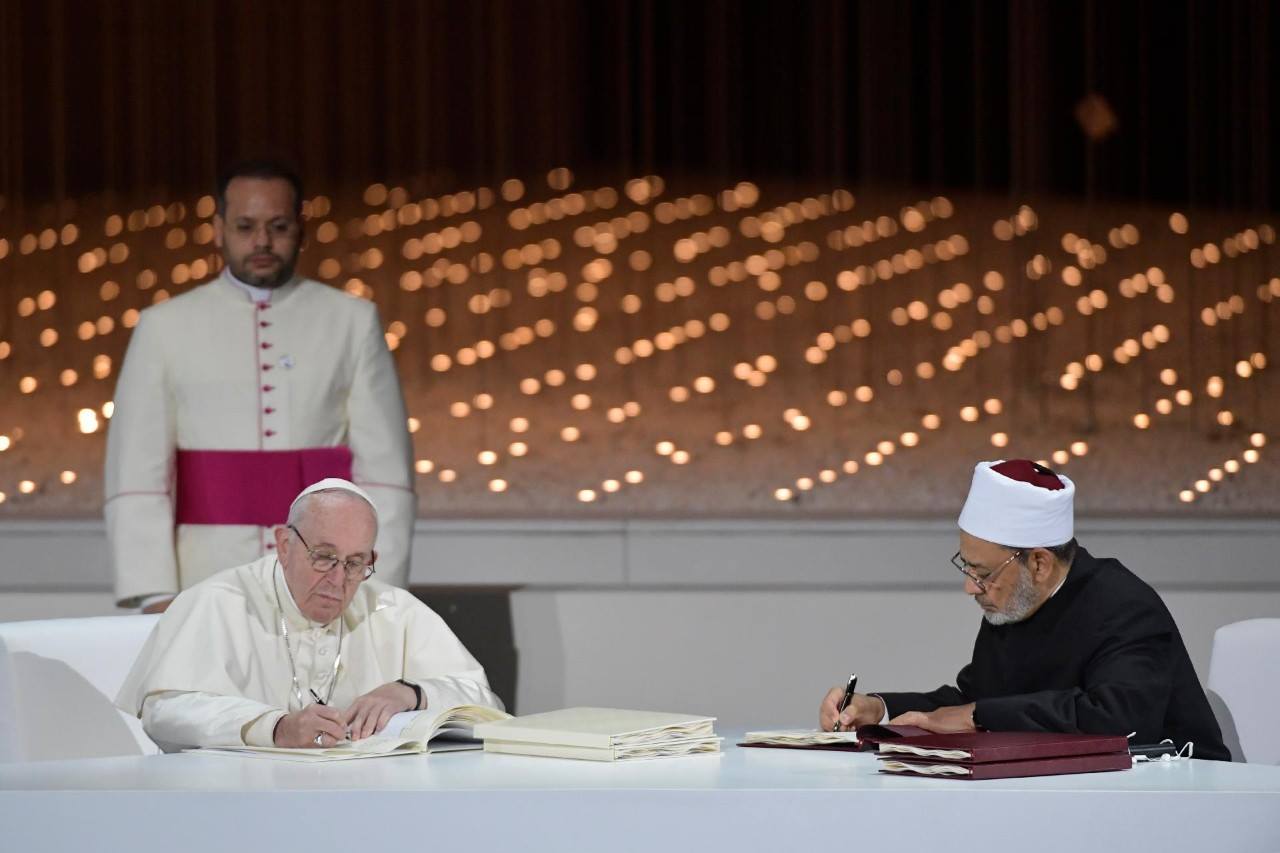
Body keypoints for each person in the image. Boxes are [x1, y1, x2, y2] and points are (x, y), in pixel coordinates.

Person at [104, 160, 415, 613]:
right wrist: (155, 591)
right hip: (203, 577)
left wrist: (376, 587)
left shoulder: (351, 322)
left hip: (326, 574)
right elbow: (138, 474)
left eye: (278, 226)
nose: (262, 242)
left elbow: (386, 473)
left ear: (302, 229)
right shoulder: (163, 327)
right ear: (218, 229)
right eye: (245, 226)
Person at [819, 459, 1230, 761]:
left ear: (1038, 563)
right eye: (966, 567)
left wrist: (979, 716)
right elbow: (977, 699)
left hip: (1178, 800)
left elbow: (1118, 719)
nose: (969, 587)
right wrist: (879, 709)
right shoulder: (1014, 600)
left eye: (981, 572)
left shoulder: (1125, 606)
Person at [117, 479, 500, 751]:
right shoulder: (219, 601)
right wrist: (277, 728)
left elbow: (486, 704)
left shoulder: (394, 610)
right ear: (284, 545)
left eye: (354, 563)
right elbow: (165, 712)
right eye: (323, 556)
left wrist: (410, 693)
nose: (338, 579)